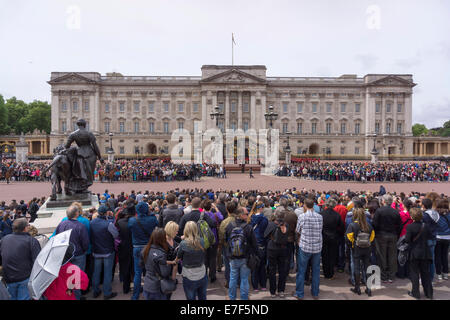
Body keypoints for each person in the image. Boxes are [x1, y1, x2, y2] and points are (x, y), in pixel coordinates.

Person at [54, 205, 89, 300]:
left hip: (64, 256)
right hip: (78, 255)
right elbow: (85, 242)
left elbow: (57, 237)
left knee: (66, 277)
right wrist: (84, 251)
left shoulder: (61, 224)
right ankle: (77, 297)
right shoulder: (80, 226)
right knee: (76, 278)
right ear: (77, 213)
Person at [0, 218, 41, 300]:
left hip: (8, 277)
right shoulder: (31, 241)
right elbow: (37, 262)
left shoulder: (4, 239)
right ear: (25, 228)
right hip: (25, 278)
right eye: (28, 225)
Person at [225, 207, 258, 300]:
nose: (248, 215)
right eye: (246, 214)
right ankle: (244, 298)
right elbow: (254, 243)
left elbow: (226, 238)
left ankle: (232, 298)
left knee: (233, 278)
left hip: (232, 257)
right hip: (245, 257)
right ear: (241, 215)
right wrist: (257, 254)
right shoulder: (248, 227)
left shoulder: (230, 225)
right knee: (244, 279)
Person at [128, 201, 159, 300]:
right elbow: (157, 224)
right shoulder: (152, 219)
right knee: (151, 271)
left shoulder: (132, 220)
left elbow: (130, 228)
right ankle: (150, 293)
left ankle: (135, 295)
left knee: (138, 273)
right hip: (149, 247)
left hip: (137, 247)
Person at [294, 198, 323, 300]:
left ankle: (299, 293)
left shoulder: (302, 216)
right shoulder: (320, 217)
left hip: (305, 246)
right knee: (315, 271)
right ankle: (315, 292)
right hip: (316, 247)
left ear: (305, 206)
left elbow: (297, 230)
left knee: (301, 271)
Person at [90, 205, 119, 300]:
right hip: (108, 251)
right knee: (107, 272)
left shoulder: (92, 223)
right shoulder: (108, 224)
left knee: (96, 272)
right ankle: (107, 292)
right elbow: (116, 235)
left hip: (96, 251)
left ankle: (96, 290)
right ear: (106, 213)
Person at [372, 194, 402, 283]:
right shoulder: (395, 211)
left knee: (382, 256)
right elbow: (400, 226)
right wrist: (396, 233)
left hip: (381, 235)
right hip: (392, 235)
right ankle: (391, 276)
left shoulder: (379, 211)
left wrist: (377, 233)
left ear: (383, 201)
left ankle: (384, 275)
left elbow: (375, 224)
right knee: (392, 256)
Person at [346, 208, 375, 296]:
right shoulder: (369, 226)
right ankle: (368, 288)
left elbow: (348, 238)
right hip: (367, 249)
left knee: (357, 268)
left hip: (356, 249)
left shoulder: (352, 225)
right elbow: (372, 238)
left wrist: (352, 246)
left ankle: (357, 288)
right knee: (367, 267)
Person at [405, 208, 433, 299]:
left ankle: (415, 293)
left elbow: (407, 240)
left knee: (414, 273)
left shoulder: (410, 227)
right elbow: (430, 236)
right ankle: (429, 293)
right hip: (425, 252)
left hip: (414, 252)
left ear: (412, 216)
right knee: (425, 273)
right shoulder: (425, 226)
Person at [176, 221, 208, 300]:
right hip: (201, 272)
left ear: (186, 230)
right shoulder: (201, 240)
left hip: (188, 274)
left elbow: (178, 258)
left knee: (190, 297)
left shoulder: (183, 243)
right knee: (203, 296)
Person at [141, 227, 174, 300]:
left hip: (147, 284)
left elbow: (141, 265)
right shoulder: (161, 254)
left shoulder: (145, 250)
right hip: (158, 288)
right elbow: (165, 273)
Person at [264, 210, 289, 298]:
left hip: (272, 248)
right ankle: (281, 290)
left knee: (272, 270)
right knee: (282, 270)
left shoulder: (271, 224)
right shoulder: (286, 225)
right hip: (283, 248)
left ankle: (273, 291)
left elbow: (265, 235)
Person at [320, 198, 344, 279]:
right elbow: (341, 228)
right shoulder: (337, 215)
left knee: (325, 255)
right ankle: (331, 272)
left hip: (324, 237)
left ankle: (326, 272)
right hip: (334, 237)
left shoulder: (322, 214)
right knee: (332, 256)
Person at [202, 199, 223, 283]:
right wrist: (216, 208)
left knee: (205, 258)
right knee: (212, 258)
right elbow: (221, 217)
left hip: (204, 239)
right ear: (211, 207)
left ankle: (204, 274)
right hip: (213, 239)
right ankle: (212, 275)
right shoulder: (214, 215)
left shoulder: (201, 215)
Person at [115, 202, 134, 294]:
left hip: (123, 248)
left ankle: (125, 288)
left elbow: (116, 236)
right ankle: (134, 285)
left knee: (125, 268)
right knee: (134, 269)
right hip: (133, 247)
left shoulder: (119, 222)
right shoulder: (135, 221)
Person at [248, 201, 268, 292]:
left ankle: (255, 286)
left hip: (253, 245)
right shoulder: (264, 219)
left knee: (254, 266)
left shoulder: (250, 218)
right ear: (261, 208)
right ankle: (263, 284)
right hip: (262, 244)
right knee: (262, 266)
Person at [219, 201, 238, 288]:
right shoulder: (239, 220)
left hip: (227, 246)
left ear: (227, 209)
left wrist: (223, 243)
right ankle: (237, 280)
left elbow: (222, 236)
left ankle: (229, 281)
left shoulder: (224, 222)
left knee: (228, 265)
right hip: (238, 245)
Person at [421, 198, 440, 282]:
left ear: (423, 205)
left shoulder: (425, 215)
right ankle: (431, 279)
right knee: (431, 259)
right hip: (434, 238)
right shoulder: (436, 213)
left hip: (426, 239)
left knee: (424, 260)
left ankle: (425, 279)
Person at [434, 198, 449, 281]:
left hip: (438, 237)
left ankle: (439, 274)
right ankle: (446, 273)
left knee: (438, 256)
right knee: (445, 256)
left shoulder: (436, 214)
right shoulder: (449, 214)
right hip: (447, 237)